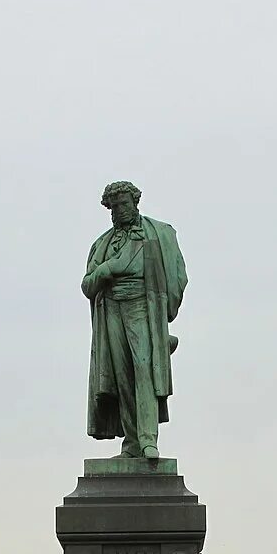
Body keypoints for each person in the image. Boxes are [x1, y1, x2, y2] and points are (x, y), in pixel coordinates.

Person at [80, 180, 189, 461]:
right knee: (122, 377)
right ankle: (131, 443)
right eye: (113, 207)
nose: (119, 211)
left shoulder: (159, 233)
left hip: (143, 305)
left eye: (124, 204)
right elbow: (87, 285)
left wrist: (164, 317)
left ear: (135, 203)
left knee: (144, 370)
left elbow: (178, 276)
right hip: (112, 310)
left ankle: (147, 440)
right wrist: (105, 270)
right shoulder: (102, 245)